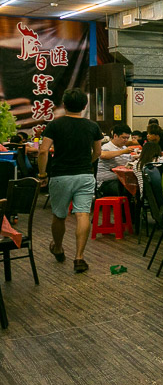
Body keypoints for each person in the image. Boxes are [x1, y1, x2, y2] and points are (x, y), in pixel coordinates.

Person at [38, 89, 103, 274]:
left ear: (64, 105)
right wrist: (86, 163)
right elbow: (97, 152)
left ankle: (58, 247)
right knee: (82, 214)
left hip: (60, 176)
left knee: (59, 215)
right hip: (84, 175)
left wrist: (42, 174)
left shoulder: (55, 125)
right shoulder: (92, 126)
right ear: (84, 106)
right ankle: (79, 258)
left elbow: (43, 151)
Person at [95, 123, 137, 197]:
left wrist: (135, 157)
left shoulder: (123, 147)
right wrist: (123, 152)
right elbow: (102, 155)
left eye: (127, 138)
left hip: (121, 180)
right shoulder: (107, 147)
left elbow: (128, 159)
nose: (126, 140)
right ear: (115, 136)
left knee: (136, 186)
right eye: (123, 138)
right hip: (106, 182)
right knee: (127, 190)